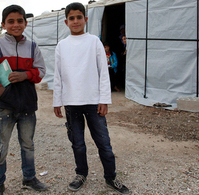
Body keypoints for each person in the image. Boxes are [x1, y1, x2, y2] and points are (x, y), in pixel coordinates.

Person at [53, 2, 130, 194]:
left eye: (79, 17)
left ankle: (111, 177)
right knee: (77, 143)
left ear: (86, 19)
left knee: (103, 142)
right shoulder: (62, 46)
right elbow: (58, 75)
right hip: (71, 103)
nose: (76, 21)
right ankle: (81, 174)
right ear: (66, 22)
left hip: (93, 103)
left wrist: (104, 100)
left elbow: (103, 72)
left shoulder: (94, 42)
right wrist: (57, 101)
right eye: (72, 18)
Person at [0, 4, 48, 195]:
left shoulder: (33, 47)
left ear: (25, 23)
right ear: (3, 24)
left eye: (20, 21)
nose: (15, 25)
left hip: (27, 105)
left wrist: (25, 75)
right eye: (11, 21)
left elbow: (41, 71)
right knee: (0, 146)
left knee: (27, 144)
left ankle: (29, 178)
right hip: (5, 106)